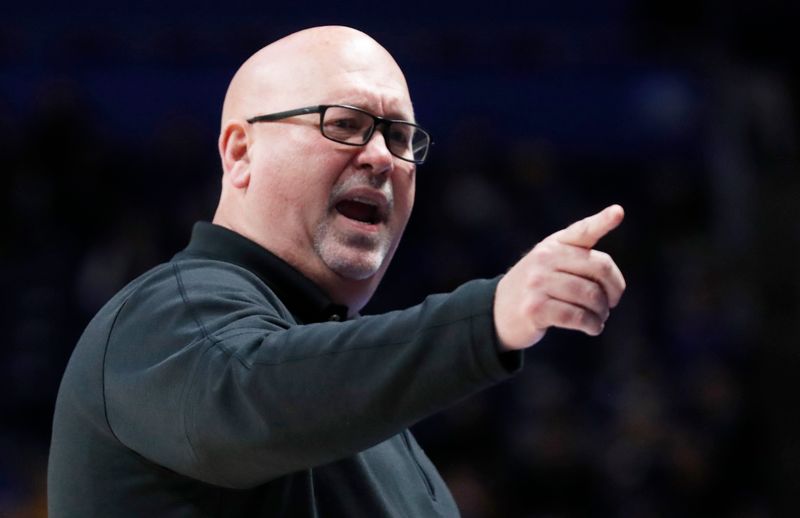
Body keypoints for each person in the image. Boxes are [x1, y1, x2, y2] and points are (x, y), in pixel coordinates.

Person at [47, 26, 626, 517]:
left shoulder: (360, 406)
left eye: (400, 136)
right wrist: (490, 315)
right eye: (344, 124)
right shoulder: (162, 318)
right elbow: (253, 395)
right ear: (240, 154)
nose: (381, 157)